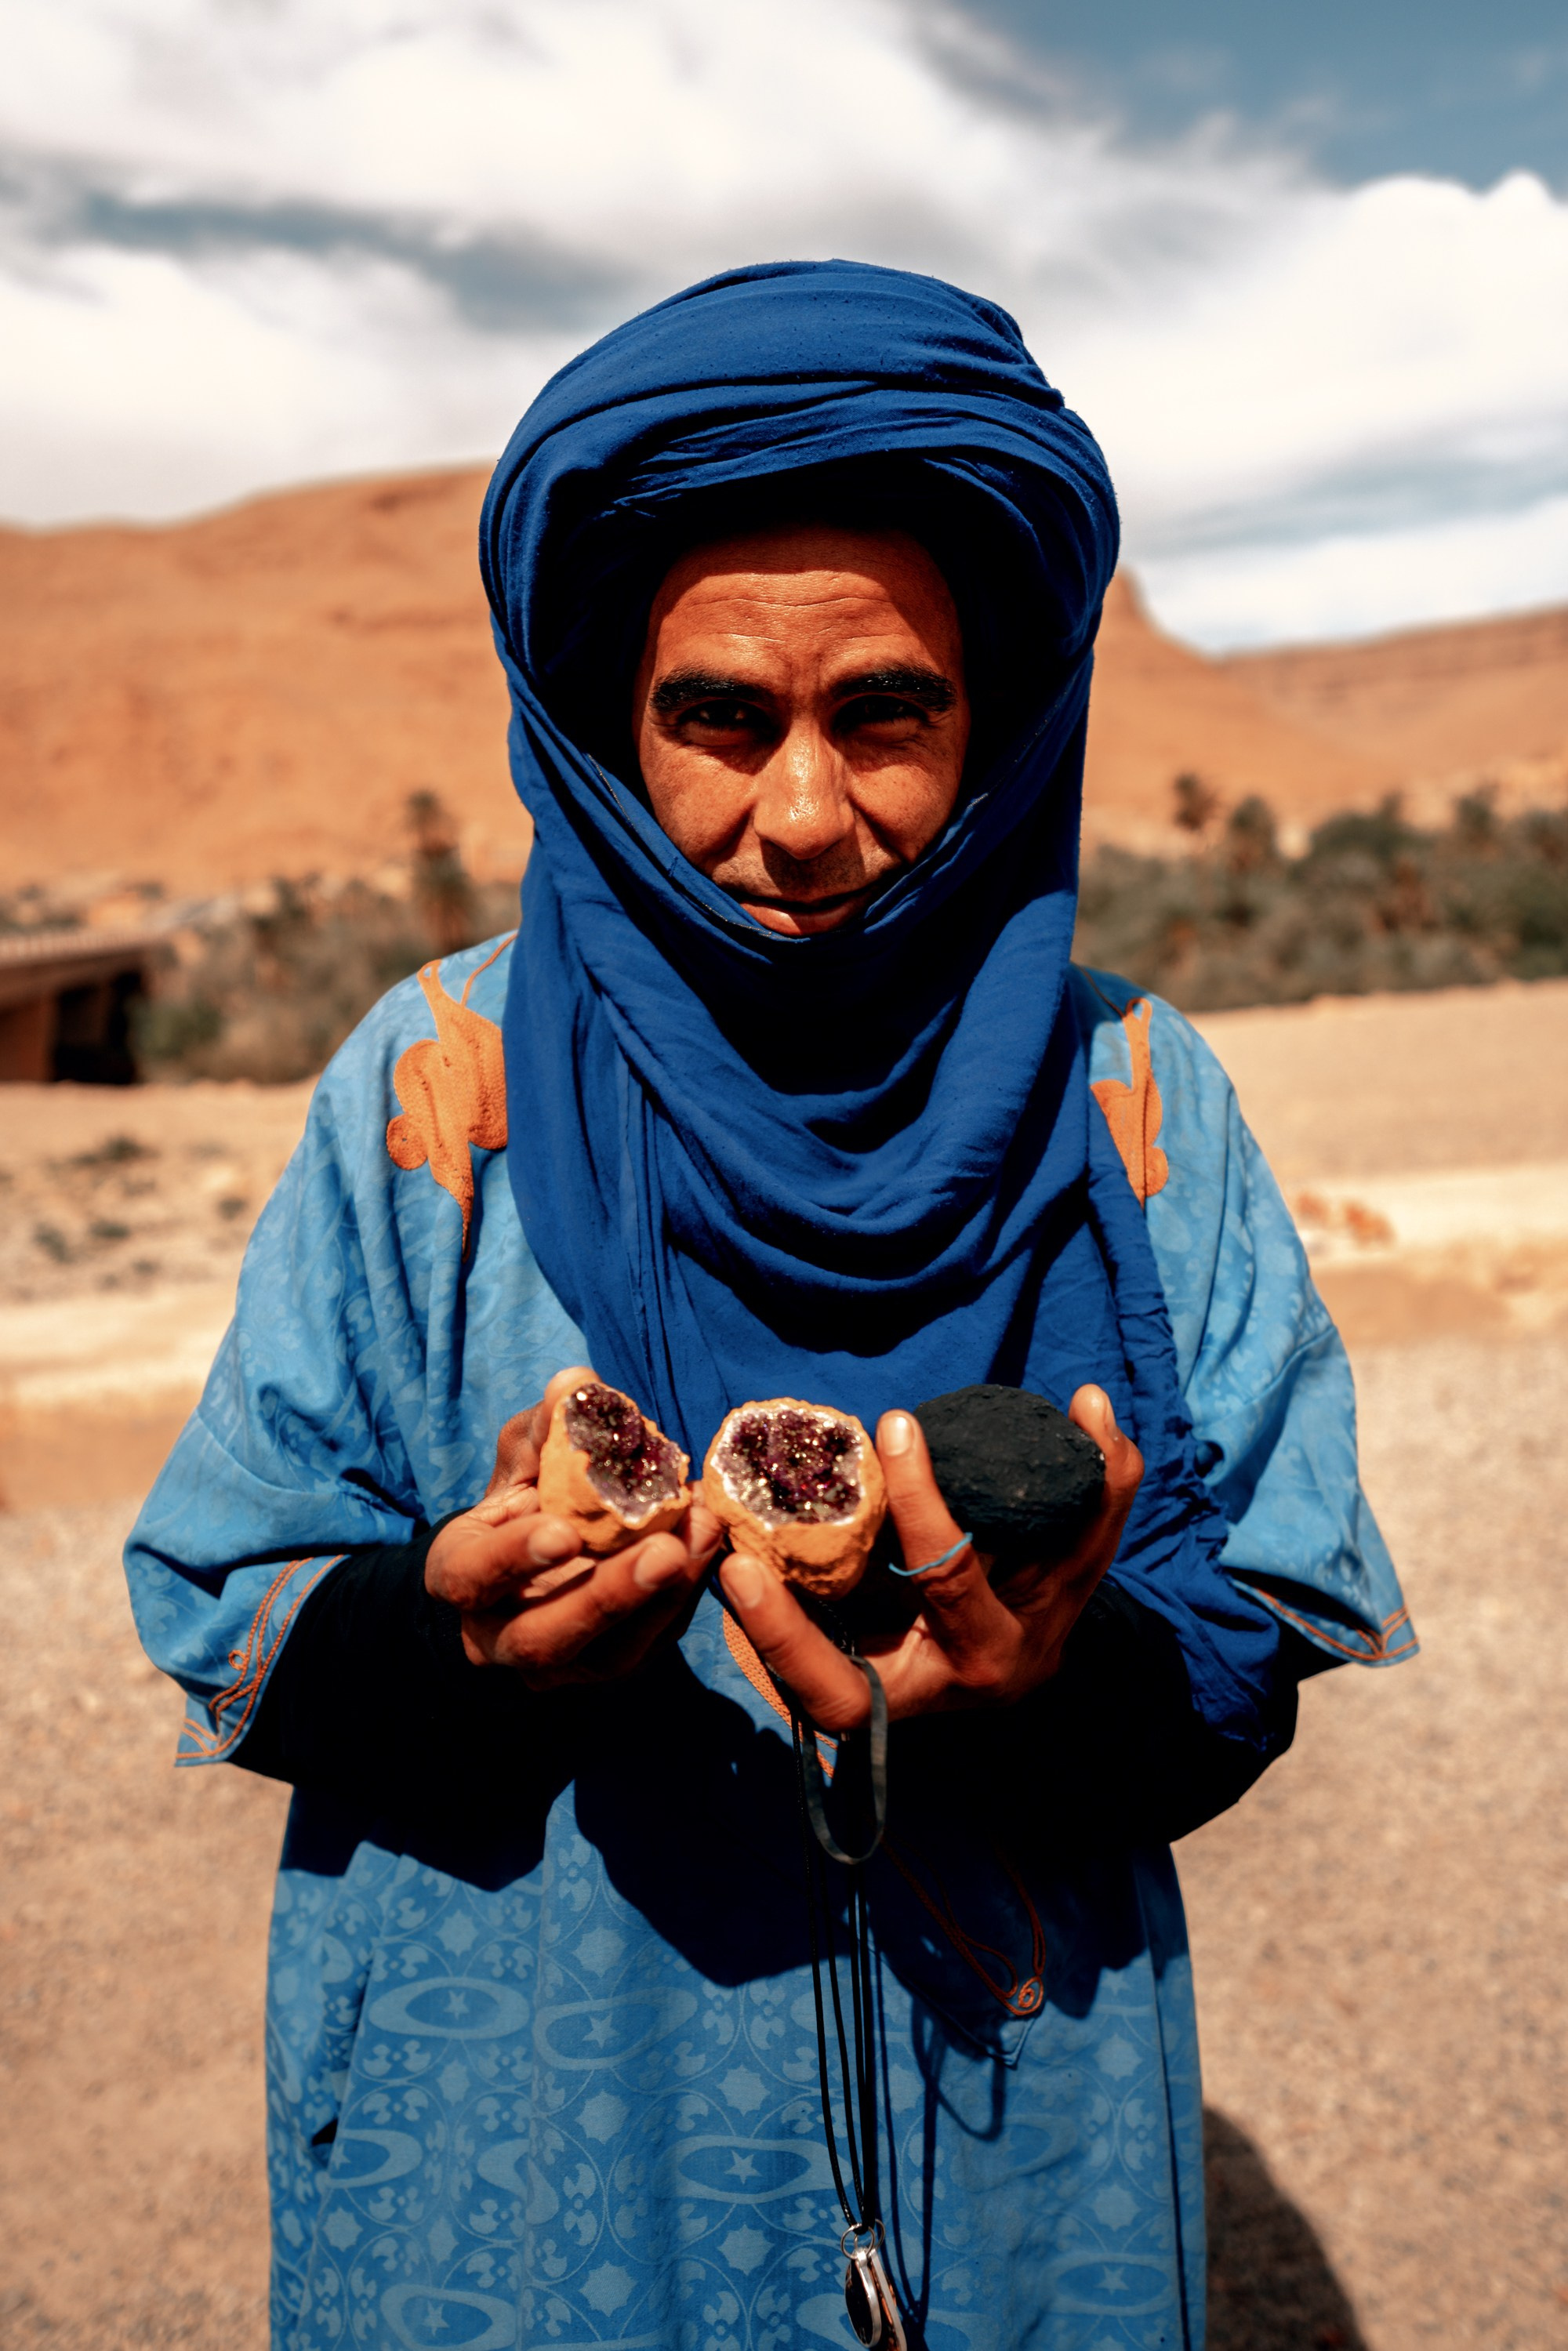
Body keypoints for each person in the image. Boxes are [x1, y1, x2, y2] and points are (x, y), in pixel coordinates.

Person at [125, 260, 1413, 2351]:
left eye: (884, 711)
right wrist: (463, 1636)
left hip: (1016, 2118)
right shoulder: (435, 1089)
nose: (802, 819)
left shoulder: (1133, 1096)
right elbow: (231, 1600)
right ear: (604, 722)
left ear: (996, 718)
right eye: (719, 715)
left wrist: (1056, 1680)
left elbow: (1254, 1624)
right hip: (533, 2141)